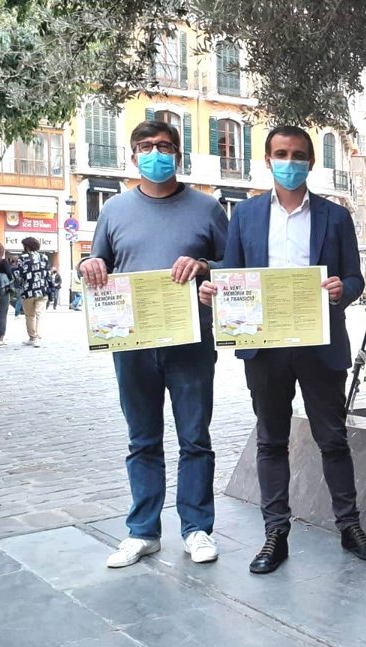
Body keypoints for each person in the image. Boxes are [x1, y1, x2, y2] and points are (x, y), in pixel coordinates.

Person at [198, 125, 366, 575]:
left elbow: (355, 277)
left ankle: (349, 527)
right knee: (271, 441)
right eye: (281, 154)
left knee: (333, 439)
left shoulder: (335, 217)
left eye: (298, 155)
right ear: (268, 160)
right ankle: (275, 534)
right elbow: (233, 271)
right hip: (265, 347)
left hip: (320, 344)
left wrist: (343, 290)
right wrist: (213, 288)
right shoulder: (245, 215)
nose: (290, 162)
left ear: (311, 162)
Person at [78, 120, 228, 569]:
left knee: (195, 438)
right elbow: (98, 260)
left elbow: (235, 266)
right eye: (146, 146)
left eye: (164, 146)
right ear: (133, 156)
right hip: (133, 342)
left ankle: (197, 528)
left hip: (191, 341)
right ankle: (143, 531)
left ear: (178, 154)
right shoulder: (114, 210)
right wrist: (89, 265)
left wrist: (204, 266)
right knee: (142, 439)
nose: (155, 153)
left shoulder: (207, 208)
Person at [14, 238, 51, 347]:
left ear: (26, 246)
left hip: (28, 291)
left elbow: (18, 275)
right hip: (42, 290)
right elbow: (47, 274)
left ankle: (33, 337)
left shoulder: (22, 258)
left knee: (30, 315)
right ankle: (38, 337)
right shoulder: (44, 257)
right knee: (40, 314)